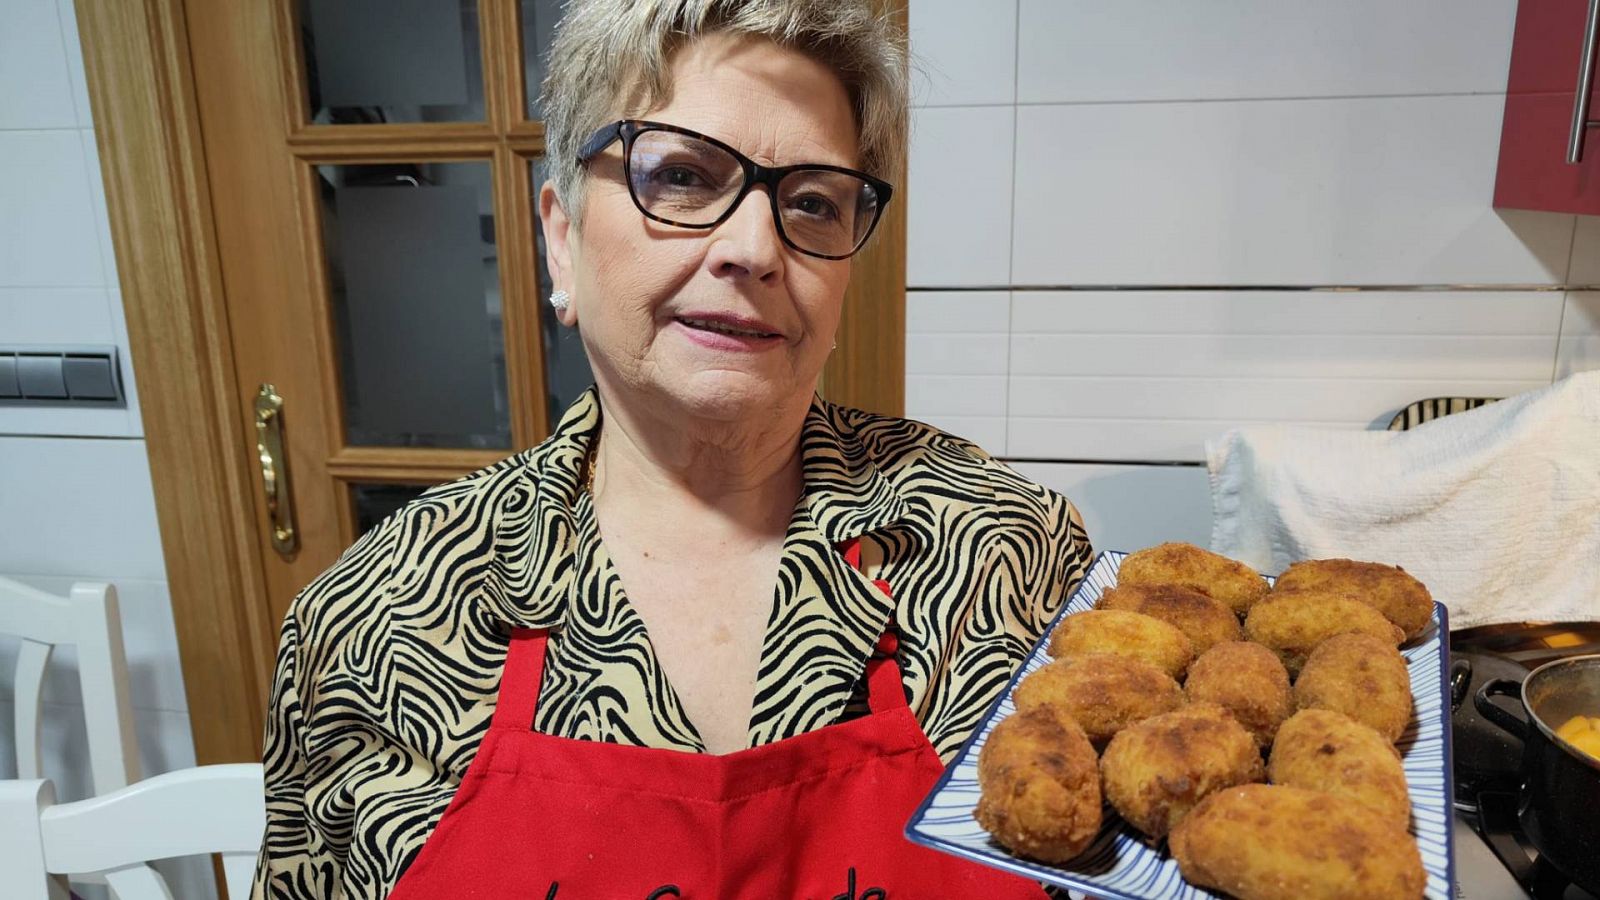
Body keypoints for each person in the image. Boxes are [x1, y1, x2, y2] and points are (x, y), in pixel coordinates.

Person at [252, 1, 1091, 897]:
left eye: (812, 201)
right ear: (562, 241)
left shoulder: (1014, 550)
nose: (754, 249)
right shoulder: (378, 620)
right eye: (683, 176)